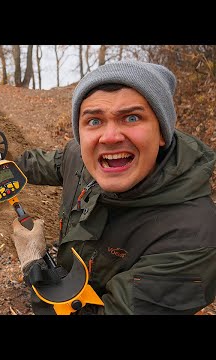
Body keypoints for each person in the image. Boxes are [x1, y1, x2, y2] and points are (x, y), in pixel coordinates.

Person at [11, 60, 216, 315]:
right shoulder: (82, 156)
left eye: (131, 117)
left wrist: (35, 265)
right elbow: (53, 164)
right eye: (94, 121)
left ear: (163, 132)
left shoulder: (191, 241)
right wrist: (3, 162)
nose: (109, 137)